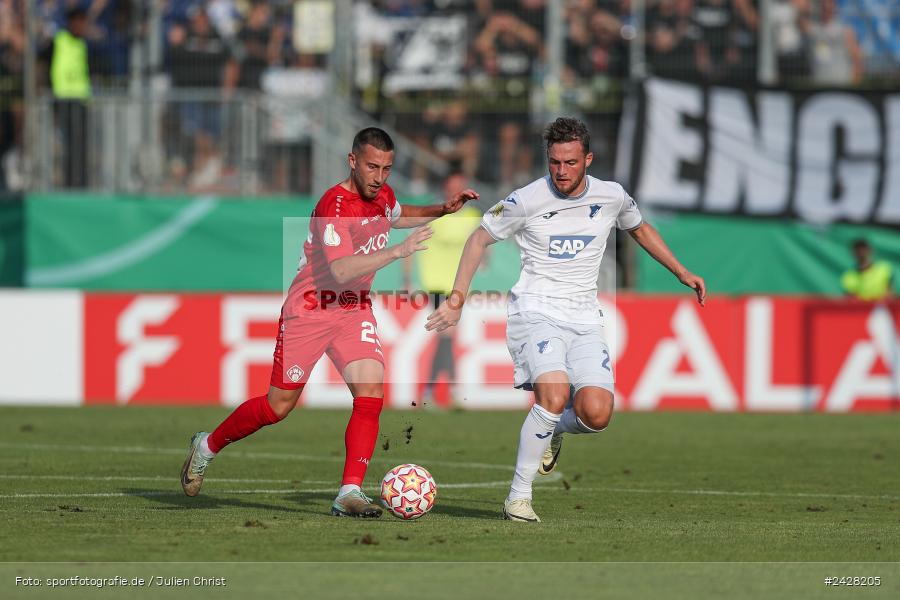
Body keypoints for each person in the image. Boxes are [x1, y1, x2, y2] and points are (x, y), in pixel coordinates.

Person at [181, 127, 479, 517]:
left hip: (352, 310)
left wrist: (441, 209)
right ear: (352, 161)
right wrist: (397, 253)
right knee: (277, 406)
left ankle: (349, 492)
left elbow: (396, 214)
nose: (380, 177)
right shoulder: (333, 207)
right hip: (310, 310)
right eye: (372, 167)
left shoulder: (382, 195)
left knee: (371, 391)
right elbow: (340, 271)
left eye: (387, 169)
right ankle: (207, 446)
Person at [426, 117, 706, 522]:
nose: (561, 171)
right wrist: (456, 300)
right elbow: (478, 238)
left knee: (596, 414)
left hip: (584, 318)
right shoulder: (526, 200)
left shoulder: (612, 196)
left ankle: (554, 430)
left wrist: (680, 271)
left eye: (570, 162)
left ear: (587, 159)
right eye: (554, 162)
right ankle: (518, 498)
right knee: (553, 396)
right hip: (535, 311)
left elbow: (640, 229)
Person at [403, 168, 482, 406]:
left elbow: (481, 243)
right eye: (453, 185)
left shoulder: (473, 216)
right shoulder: (436, 212)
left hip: (459, 286)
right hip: (436, 283)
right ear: (446, 186)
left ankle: (431, 391)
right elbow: (412, 244)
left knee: (446, 336)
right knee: (447, 333)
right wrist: (407, 279)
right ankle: (452, 389)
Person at [50, 7, 91, 188]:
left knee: (81, 146)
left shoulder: (83, 43)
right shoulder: (59, 40)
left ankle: (79, 183)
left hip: (80, 100)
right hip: (63, 100)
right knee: (67, 146)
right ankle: (68, 184)